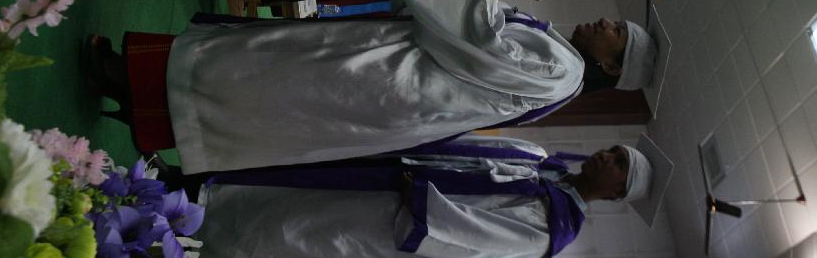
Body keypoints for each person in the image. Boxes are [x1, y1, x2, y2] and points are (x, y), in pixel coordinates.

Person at [84, 0, 642, 173]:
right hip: (394, 80)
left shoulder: (565, 71)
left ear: (610, 65)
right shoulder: (564, 68)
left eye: (614, 30)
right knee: (259, 86)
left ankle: (126, 82)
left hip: (388, 75)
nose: (604, 20)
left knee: (256, 72)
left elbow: (482, 45)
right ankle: (139, 101)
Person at [178, 133, 674, 258]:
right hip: (393, 169)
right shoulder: (541, 158)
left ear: (616, 193)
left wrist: (419, 197)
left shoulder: (552, 229)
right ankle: (185, 183)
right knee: (293, 174)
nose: (606, 157)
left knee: (291, 224)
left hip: (390, 216)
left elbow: (475, 237)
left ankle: (185, 226)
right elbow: (470, 148)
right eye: (614, 150)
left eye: (618, 164)